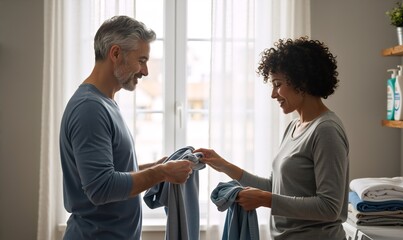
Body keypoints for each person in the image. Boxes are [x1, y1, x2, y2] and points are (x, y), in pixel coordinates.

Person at [195, 37, 349, 240]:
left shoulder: (325, 130)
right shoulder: (294, 126)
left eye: (278, 84)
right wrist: (224, 165)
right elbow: (274, 187)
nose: (273, 94)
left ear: (301, 83)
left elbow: (329, 207)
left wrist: (264, 199)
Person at [59, 15, 194, 240]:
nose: (146, 71)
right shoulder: (90, 108)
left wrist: (157, 167)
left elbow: (111, 170)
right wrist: (161, 173)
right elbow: (101, 187)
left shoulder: (104, 103)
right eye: (141, 60)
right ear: (115, 54)